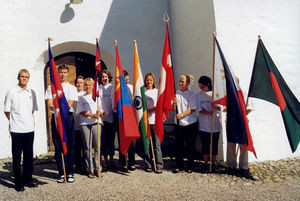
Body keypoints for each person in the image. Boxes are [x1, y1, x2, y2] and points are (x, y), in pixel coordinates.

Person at [4, 69, 38, 191]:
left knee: (29, 157)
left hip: (29, 129)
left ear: (28, 79)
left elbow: (32, 110)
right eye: (22, 76)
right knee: (17, 158)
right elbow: (7, 111)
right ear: (18, 78)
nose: (24, 79)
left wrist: (27, 121)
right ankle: (18, 183)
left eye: (26, 77)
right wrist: (15, 121)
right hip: (16, 130)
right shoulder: (11, 92)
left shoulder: (31, 92)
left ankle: (27, 179)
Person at [45, 64, 78, 183]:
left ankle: (70, 172)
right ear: (57, 73)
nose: (62, 74)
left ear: (68, 73)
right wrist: (57, 109)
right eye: (60, 72)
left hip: (68, 117)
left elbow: (70, 103)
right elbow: (49, 103)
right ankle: (61, 172)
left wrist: (60, 108)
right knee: (58, 145)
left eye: (64, 72)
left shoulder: (72, 88)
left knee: (70, 144)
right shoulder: (51, 87)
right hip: (56, 117)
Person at [77, 78, 106, 178]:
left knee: (97, 146)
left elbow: (104, 110)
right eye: (86, 85)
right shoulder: (81, 97)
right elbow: (80, 111)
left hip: (96, 123)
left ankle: (98, 168)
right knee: (87, 147)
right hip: (85, 123)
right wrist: (91, 115)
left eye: (90, 85)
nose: (88, 87)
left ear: (93, 86)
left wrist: (100, 113)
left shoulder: (98, 97)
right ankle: (90, 169)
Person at [226, 77, 254, 179]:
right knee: (231, 143)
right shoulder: (227, 93)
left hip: (242, 122)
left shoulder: (243, 92)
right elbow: (224, 107)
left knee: (243, 145)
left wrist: (240, 115)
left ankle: (243, 167)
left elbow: (249, 108)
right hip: (230, 121)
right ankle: (231, 165)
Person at [173, 74, 197, 173]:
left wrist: (181, 115)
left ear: (187, 83)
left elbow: (192, 109)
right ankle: (179, 165)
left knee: (190, 145)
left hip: (190, 123)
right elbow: (173, 109)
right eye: (179, 81)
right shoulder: (176, 93)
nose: (180, 83)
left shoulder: (192, 94)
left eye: (182, 81)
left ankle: (190, 165)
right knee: (179, 145)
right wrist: (173, 104)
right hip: (178, 124)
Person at [196, 76, 221, 173]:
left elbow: (222, 107)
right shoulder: (198, 95)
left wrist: (215, 106)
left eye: (202, 86)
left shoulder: (215, 94)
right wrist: (207, 112)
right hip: (204, 125)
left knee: (214, 144)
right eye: (200, 86)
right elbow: (198, 108)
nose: (201, 88)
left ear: (208, 84)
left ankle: (213, 163)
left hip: (215, 124)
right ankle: (206, 163)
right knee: (205, 144)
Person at [143, 73, 164, 173]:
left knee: (156, 145)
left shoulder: (157, 92)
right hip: (146, 121)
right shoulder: (143, 92)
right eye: (147, 80)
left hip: (156, 121)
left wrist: (156, 109)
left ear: (153, 81)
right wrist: (149, 110)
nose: (149, 82)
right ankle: (148, 164)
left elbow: (161, 105)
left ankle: (159, 164)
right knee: (147, 145)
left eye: (151, 80)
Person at [118, 70, 136, 171]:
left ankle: (132, 162)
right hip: (120, 116)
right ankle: (123, 162)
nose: (127, 82)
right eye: (125, 80)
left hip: (131, 117)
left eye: (128, 80)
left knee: (131, 140)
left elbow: (135, 102)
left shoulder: (131, 88)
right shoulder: (116, 89)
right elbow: (114, 105)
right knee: (122, 140)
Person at [99, 70, 115, 170]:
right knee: (103, 141)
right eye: (103, 77)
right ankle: (105, 161)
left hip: (111, 118)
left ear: (109, 77)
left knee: (111, 140)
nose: (104, 78)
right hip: (101, 119)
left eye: (106, 77)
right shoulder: (98, 88)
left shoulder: (112, 87)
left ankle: (112, 159)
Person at [73, 76, 85, 173]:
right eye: (78, 82)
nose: (79, 84)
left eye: (81, 82)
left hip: (84, 123)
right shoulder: (73, 94)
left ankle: (85, 165)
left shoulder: (85, 94)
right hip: (75, 122)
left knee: (85, 146)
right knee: (76, 146)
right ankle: (77, 165)